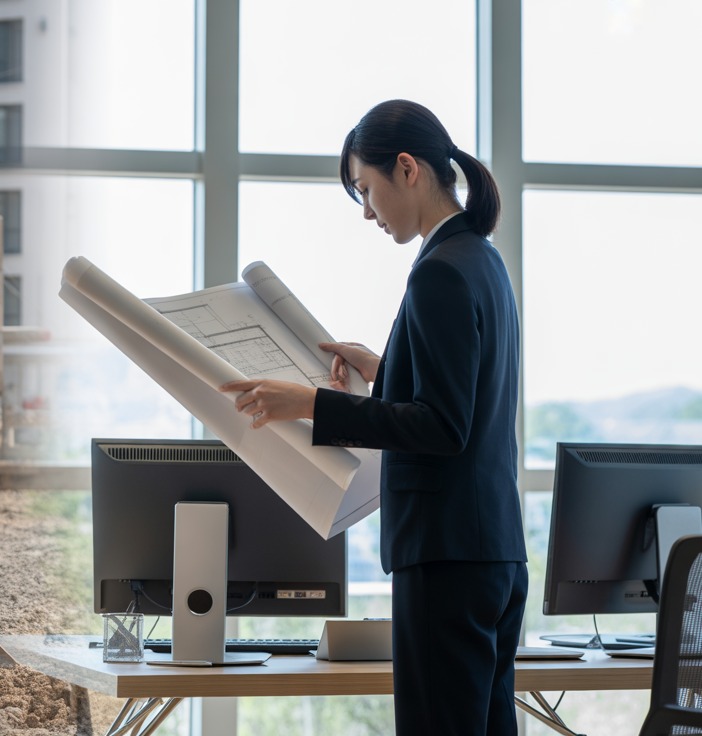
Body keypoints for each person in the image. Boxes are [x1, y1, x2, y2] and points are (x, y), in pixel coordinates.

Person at [220, 100, 524, 735]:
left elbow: (442, 427)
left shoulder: (438, 273)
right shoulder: (481, 259)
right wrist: (385, 368)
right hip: (491, 552)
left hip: (444, 554)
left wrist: (308, 404)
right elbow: (462, 398)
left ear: (407, 168)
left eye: (366, 189)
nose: (366, 212)